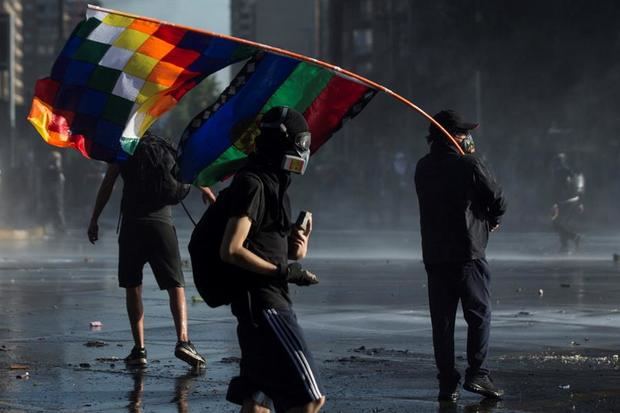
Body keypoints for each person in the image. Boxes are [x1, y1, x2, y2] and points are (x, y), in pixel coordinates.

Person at [218, 106, 325, 412]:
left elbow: (276, 248)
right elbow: (232, 249)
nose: (304, 152)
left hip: (261, 302)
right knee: (310, 398)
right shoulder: (253, 183)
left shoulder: (276, 185)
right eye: (301, 143)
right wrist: (284, 271)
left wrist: (297, 246)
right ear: (283, 142)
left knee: (258, 402)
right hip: (265, 305)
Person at [87, 132, 206, 368]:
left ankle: (139, 350)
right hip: (162, 224)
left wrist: (94, 219)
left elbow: (108, 183)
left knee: (133, 287)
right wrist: (208, 192)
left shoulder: (125, 148)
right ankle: (183, 341)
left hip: (133, 226)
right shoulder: (166, 147)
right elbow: (191, 172)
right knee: (176, 286)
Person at [414, 110, 506, 402]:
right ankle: (477, 374)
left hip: (435, 255)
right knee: (479, 316)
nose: (469, 139)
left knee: (442, 322)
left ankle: (447, 383)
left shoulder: (422, 167)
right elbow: (498, 199)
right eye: (464, 134)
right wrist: (490, 217)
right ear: (452, 136)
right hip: (469, 254)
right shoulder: (470, 163)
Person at [550, 152, 584, 253]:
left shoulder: (560, 171)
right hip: (569, 200)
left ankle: (574, 238)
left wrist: (555, 201)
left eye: (557, 161)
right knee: (560, 223)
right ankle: (564, 246)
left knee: (557, 224)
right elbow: (576, 181)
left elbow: (557, 188)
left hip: (565, 201)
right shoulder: (567, 171)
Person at [42, 151, 67, 234]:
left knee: (57, 209)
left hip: (55, 193)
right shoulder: (49, 169)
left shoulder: (58, 172)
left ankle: (60, 227)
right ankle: (53, 227)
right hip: (51, 192)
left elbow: (58, 174)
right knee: (51, 208)